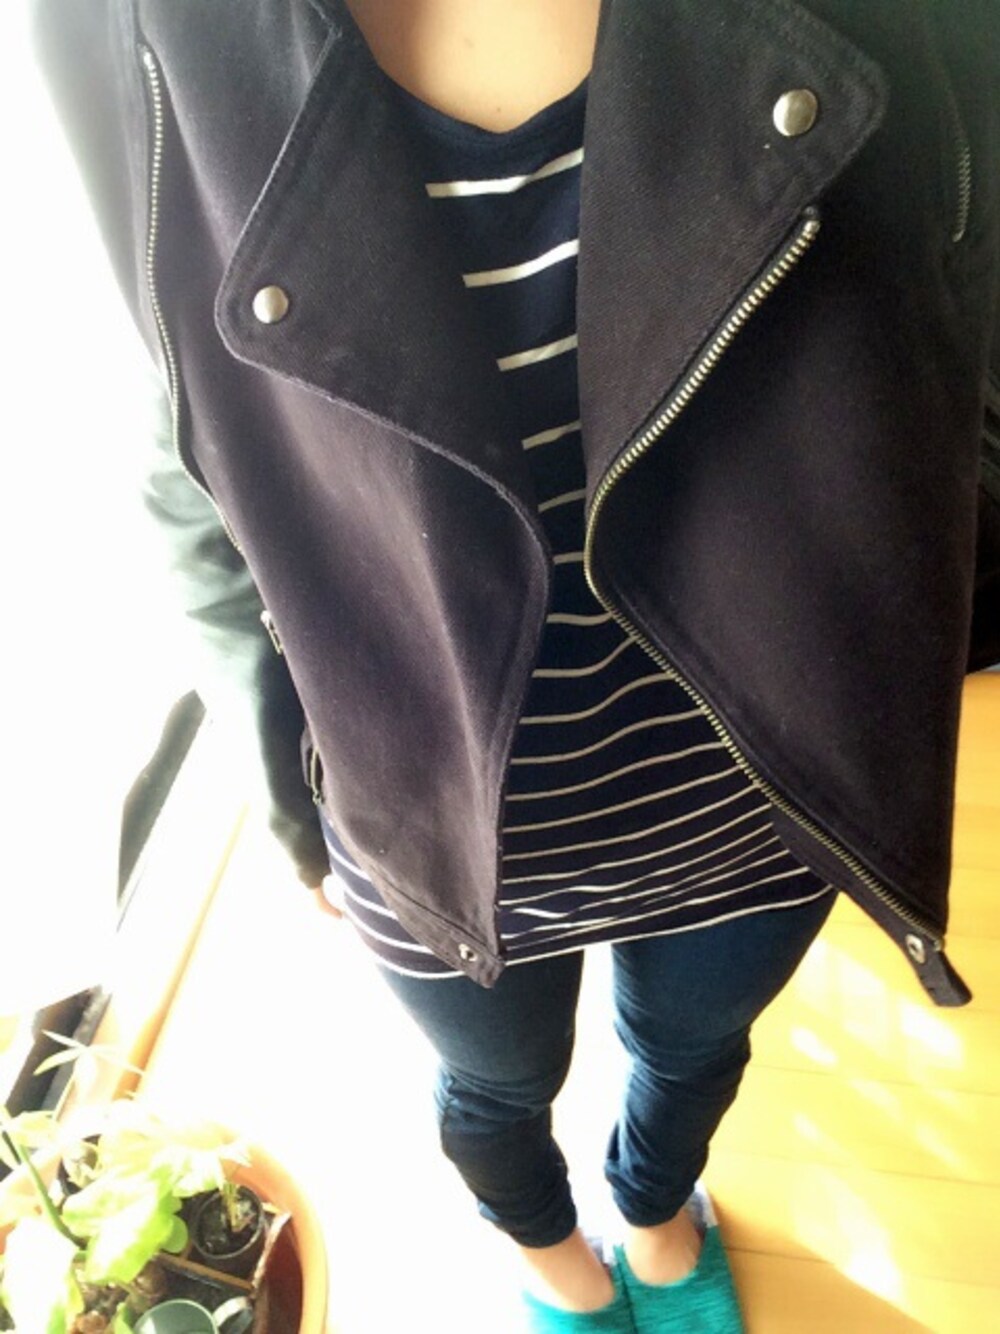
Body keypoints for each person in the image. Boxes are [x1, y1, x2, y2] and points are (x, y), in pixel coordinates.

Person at [33, 1, 1000, 1329]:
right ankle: (549, 1253)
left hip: (770, 806)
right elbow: (186, 460)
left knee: (693, 1053)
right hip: (428, 823)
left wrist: (911, 653)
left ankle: (655, 1210)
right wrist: (288, 794)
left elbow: (969, 320)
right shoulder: (123, 32)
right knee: (492, 1091)